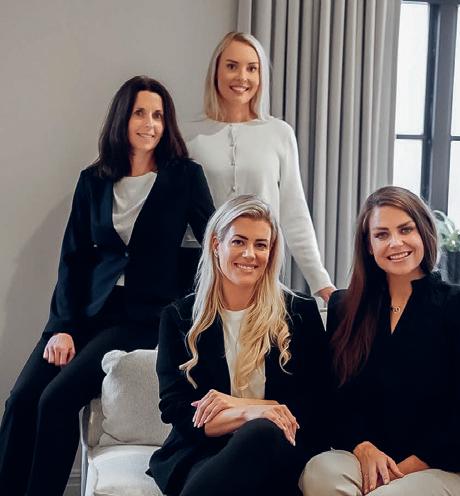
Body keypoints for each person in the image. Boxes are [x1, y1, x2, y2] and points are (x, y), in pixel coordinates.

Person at [0, 75, 215, 496]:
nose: (149, 124)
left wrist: (191, 308)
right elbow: (73, 259)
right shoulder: (94, 179)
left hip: (139, 318)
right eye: (140, 113)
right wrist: (62, 327)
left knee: (56, 400)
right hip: (83, 313)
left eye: (158, 115)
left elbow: (214, 243)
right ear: (122, 118)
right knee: (21, 400)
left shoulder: (184, 177)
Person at [300, 186, 460, 496]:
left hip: (448, 468)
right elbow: (334, 401)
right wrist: (362, 447)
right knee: (320, 472)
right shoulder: (345, 308)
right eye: (381, 234)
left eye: (405, 229)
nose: (395, 243)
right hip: (372, 461)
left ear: (424, 232)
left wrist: (402, 472)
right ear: (368, 245)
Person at [149, 195, 331, 496]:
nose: (250, 254)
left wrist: (239, 406)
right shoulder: (179, 318)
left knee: (261, 432)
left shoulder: (299, 312)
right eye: (238, 242)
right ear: (216, 245)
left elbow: (317, 405)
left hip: (278, 449)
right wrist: (250, 412)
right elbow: (178, 411)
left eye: (261, 245)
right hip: (202, 450)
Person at [183, 31, 335, 302]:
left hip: (259, 267)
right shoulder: (188, 136)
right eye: (232, 66)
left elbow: (294, 212)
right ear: (216, 71)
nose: (242, 77)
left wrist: (320, 282)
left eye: (252, 68)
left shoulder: (279, 133)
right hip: (200, 273)